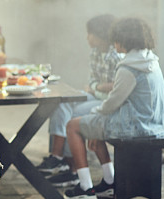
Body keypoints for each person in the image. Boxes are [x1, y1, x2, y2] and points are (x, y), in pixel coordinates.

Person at [63, 17, 164, 199]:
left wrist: (95, 114)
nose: (114, 43)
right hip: (154, 125)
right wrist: (96, 122)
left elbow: (112, 102)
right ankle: (110, 182)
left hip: (133, 127)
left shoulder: (129, 68)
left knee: (73, 126)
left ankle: (85, 189)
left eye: (116, 40)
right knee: (94, 124)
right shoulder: (151, 61)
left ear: (124, 40)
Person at [37, 14, 121, 188]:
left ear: (101, 35)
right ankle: (57, 158)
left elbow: (116, 87)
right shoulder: (95, 53)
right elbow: (93, 81)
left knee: (74, 115)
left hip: (109, 101)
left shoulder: (116, 55)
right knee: (61, 102)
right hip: (96, 95)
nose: (87, 37)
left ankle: (74, 171)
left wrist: (96, 87)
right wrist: (97, 87)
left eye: (90, 33)